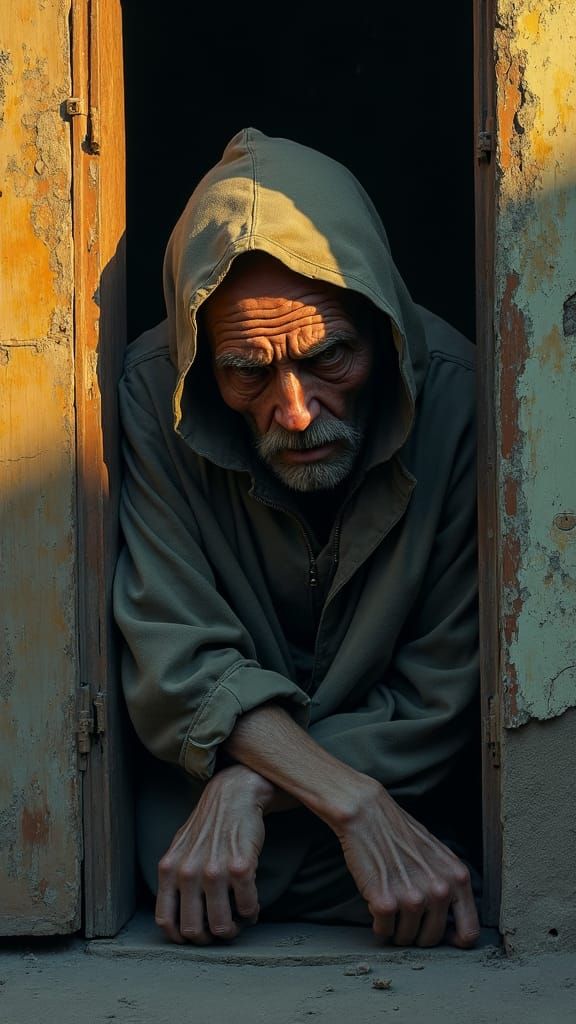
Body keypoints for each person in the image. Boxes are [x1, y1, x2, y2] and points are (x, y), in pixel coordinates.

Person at [113, 127, 481, 951]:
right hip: (284, 825)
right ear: (203, 362)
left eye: (330, 358)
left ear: (381, 325)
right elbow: (177, 661)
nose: (297, 412)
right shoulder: (153, 397)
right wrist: (352, 802)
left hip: (383, 800)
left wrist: (249, 786)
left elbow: (443, 692)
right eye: (248, 370)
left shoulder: (455, 395)